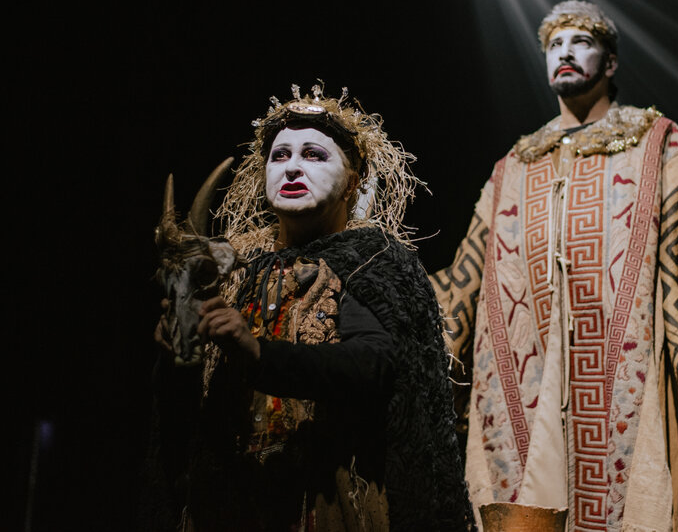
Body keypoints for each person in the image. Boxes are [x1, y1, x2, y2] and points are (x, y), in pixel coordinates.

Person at [429, 0, 678, 531]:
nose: (566, 53)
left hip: (623, 373)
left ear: (611, 62)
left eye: (581, 41)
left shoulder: (660, 142)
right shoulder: (513, 164)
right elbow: (462, 278)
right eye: (555, 44)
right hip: (519, 389)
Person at [141, 84, 474, 531]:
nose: (293, 167)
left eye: (314, 154)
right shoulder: (232, 269)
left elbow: (376, 363)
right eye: (280, 156)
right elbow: (186, 408)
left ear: (353, 182)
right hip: (230, 502)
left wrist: (258, 352)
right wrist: (175, 354)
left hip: (328, 502)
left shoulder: (371, 261)